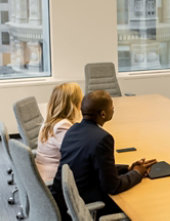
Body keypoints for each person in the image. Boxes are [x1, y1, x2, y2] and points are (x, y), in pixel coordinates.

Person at [51, 90, 156, 219]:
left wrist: (127, 169)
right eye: (112, 107)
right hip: (82, 202)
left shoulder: (74, 129)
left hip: (61, 199)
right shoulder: (103, 138)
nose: (113, 109)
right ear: (103, 114)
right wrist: (137, 173)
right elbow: (113, 187)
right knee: (141, 202)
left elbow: (92, 165)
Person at [35, 82, 83, 183]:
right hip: (55, 179)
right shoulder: (62, 126)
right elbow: (78, 155)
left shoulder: (51, 121)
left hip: (44, 171)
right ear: (74, 103)